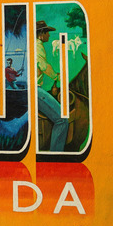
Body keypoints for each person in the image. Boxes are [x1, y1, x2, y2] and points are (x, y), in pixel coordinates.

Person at [35, 20, 68, 152]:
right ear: (41, 34)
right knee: (62, 119)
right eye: (47, 32)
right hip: (35, 90)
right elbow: (44, 67)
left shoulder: (34, 45)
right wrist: (57, 77)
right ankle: (55, 155)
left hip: (34, 88)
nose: (49, 35)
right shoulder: (38, 46)